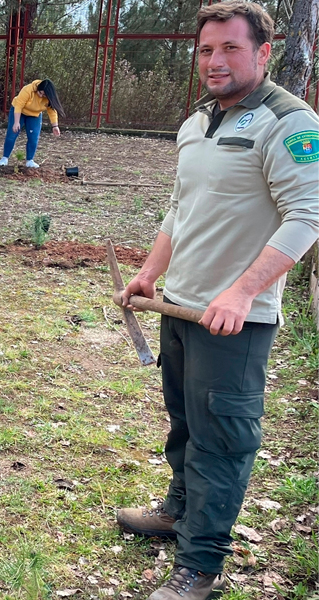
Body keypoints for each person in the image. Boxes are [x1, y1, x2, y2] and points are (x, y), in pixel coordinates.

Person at [115, 3, 318, 599]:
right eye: (206, 50)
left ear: (263, 52)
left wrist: (243, 290)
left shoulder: (290, 123)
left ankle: (200, 567)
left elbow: (308, 215)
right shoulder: (197, 122)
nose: (215, 61)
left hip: (234, 322)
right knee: (185, 423)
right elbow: (182, 209)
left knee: (221, 440)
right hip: (179, 308)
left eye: (230, 48)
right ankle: (179, 512)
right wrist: (152, 273)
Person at [0, 78, 64, 168]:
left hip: (34, 115)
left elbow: (52, 111)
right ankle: (4, 158)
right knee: (12, 134)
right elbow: (19, 105)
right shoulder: (28, 89)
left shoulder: (49, 98)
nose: (41, 96)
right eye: (40, 93)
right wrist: (16, 122)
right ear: (38, 89)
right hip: (19, 111)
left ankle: (30, 160)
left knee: (34, 137)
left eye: (44, 95)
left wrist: (55, 126)